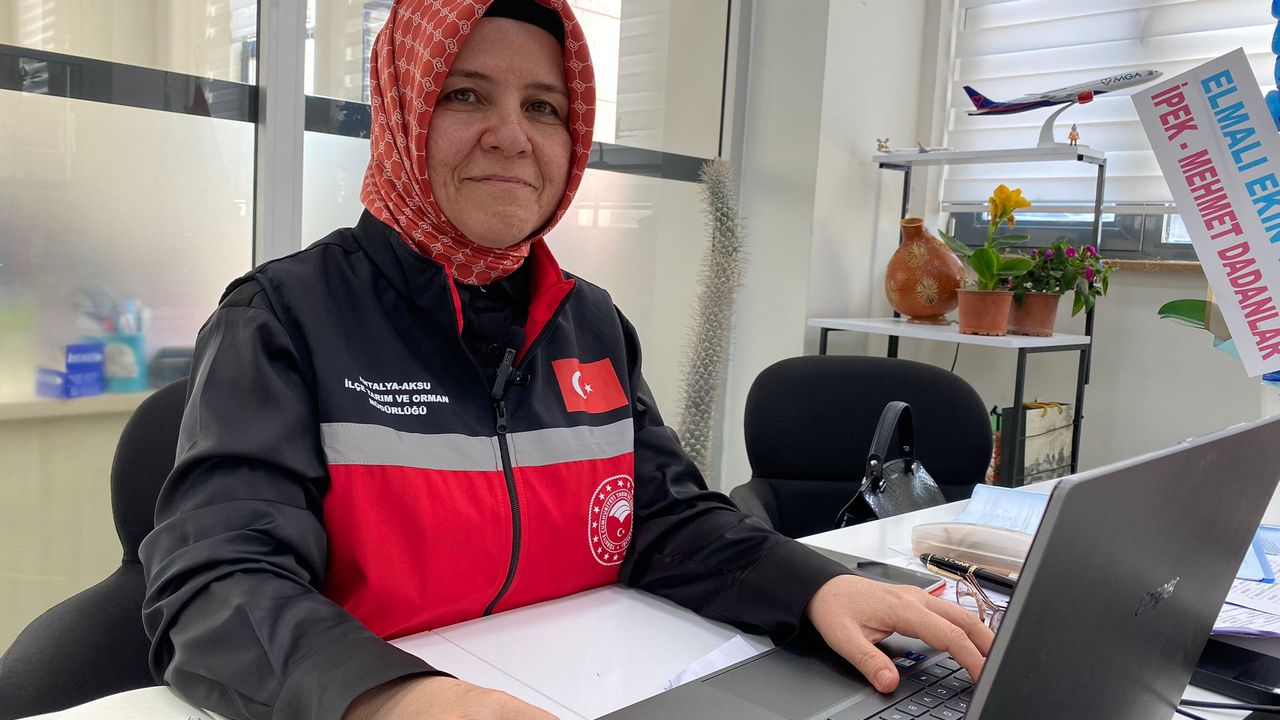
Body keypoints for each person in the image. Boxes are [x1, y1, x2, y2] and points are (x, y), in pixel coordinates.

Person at [139, 2, 993, 719]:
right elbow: (215, 582)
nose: (512, 137)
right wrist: (397, 700)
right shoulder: (283, 319)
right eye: (465, 94)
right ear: (401, 112)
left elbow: (668, 520)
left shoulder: (588, 321)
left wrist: (816, 589)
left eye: (544, 107)